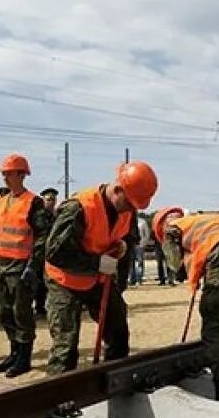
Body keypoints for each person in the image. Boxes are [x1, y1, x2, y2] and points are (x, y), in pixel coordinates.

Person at [43, 160, 158, 374]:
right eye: (130, 203)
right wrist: (98, 263)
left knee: (118, 330)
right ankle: (57, 399)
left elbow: (129, 239)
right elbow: (55, 253)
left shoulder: (128, 208)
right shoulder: (78, 207)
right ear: (117, 190)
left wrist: (122, 246)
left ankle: (114, 381)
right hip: (64, 281)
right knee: (65, 347)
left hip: (98, 279)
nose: (132, 209)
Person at [152, 207, 219, 401]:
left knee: (213, 323)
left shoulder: (172, 228)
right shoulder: (199, 220)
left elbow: (175, 266)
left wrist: (182, 271)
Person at [0, 154, 51, 377]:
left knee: (21, 313)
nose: (5, 178)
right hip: (1, 265)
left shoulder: (33, 202)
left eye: (9, 174)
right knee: (5, 312)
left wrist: (33, 265)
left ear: (22, 175)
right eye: (4, 174)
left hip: (21, 266)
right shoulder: (2, 201)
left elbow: (43, 235)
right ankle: (14, 352)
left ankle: (24, 356)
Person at [33, 187, 60, 318]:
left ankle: (43, 306)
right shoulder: (40, 215)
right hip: (39, 252)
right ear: (43, 200)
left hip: (50, 253)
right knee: (38, 282)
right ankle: (39, 307)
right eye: (49, 199)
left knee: (47, 282)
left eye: (53, 199)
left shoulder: (56, 215)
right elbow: (42, 232)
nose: (51, 202)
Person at [130, 214, 150, 285]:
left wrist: (143, 244)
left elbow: (147, 234)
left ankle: (139, 278)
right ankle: (132, 279)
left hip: (140, 246)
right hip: (131, 245)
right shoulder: (129, 221)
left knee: (140, 262)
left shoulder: (142, 222)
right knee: (131, 263)